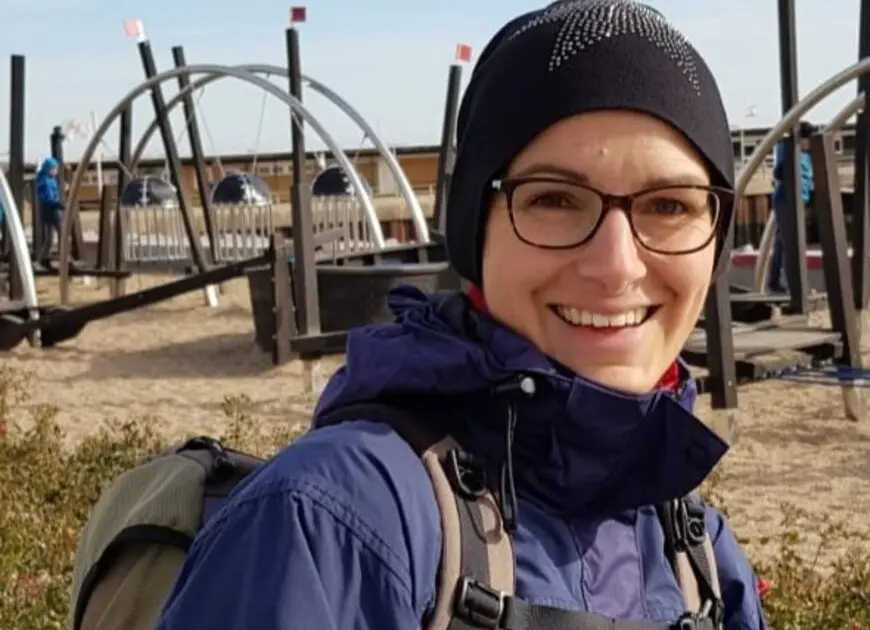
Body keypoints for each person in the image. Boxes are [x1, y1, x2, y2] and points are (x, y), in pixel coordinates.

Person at [155, 2, 767, 629]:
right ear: (477, 228)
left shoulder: (697, 553)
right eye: (554, 199)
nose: (616, 265)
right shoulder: (331, 524)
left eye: (669, 205)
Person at [766, 120, 815, 293]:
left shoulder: (805, 155)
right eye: (808, 140)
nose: (810, 144)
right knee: (791, 243)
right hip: (787, 200)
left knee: (782, 242)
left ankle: (774, 282)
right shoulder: (790, 150)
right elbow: (779, 172)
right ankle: (795, 286)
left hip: (796, 200)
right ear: (802, 138)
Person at [35, 156, 64, 267]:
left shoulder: (46, 179)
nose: (56, 171)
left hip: (46, 211)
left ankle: (44, 258)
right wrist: (60, 205)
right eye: (54, 168)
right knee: (62, 233)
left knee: (49, 237)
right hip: (53, 210)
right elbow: (48, 198)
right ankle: (64, 257)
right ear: (49, 169)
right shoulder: (46, 181)